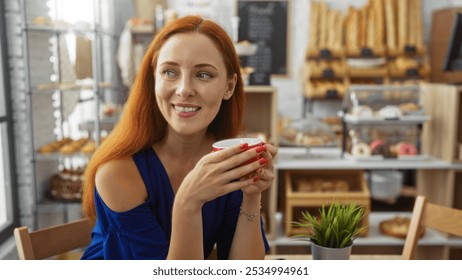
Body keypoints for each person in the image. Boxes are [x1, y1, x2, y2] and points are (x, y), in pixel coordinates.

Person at [81, 15, 277, 260]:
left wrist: (251, 195)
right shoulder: (118, 173)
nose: (184, 89)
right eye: (170, 72)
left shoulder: (227, 162)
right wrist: (188, 202)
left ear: (229, 87)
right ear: (154, 79)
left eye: (203, 75)